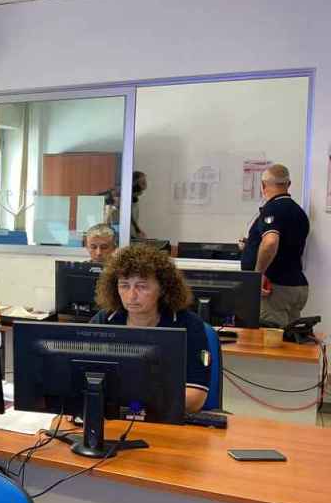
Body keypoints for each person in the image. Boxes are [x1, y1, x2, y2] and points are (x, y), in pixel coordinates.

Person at [91, 244, 210, 414]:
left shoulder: (188, 325)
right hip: (114, 417)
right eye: (124, 286)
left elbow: (195, 398)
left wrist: (135, 404)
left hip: (167, 420)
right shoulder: (104, 321)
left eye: (142, 286)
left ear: (162, 289)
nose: (131, 296)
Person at [239, 164, 309, 327]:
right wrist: (250, 246)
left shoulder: (272, 209)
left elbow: (270, 242)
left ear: (263, 185)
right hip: (296, 285)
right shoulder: (299, 212)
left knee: (269, 339)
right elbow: (286, 245)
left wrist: (258, 276)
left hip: (273, 289)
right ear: (288, 184)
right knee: (289, 338)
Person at [103, 171, 148, 239]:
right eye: (143, 183)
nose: (144, 188)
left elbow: (130, 215)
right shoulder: (116, 197)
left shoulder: (133, 200)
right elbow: (107, 219)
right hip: (115, 235)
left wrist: (138, 230)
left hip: (128, 234)